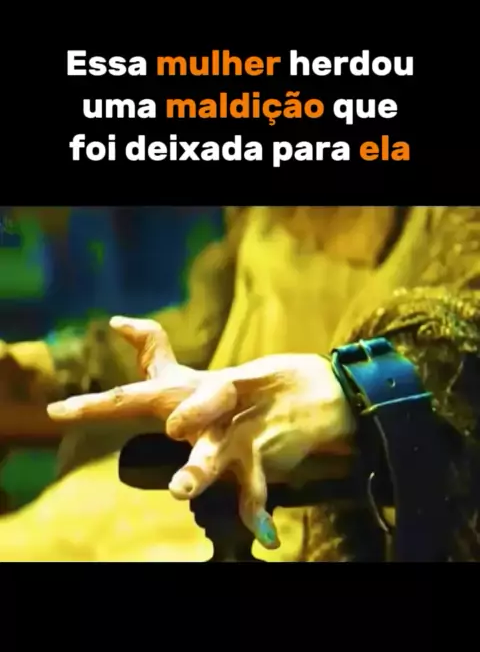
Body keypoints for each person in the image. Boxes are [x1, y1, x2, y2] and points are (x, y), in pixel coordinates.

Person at [1, 206, 480, 561]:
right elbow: (199, 334)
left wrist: (357, 384)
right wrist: (40, 366)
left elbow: (461, 337)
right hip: (189, 474)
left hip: (314, 504)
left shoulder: (450, 226)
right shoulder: (264, 215)